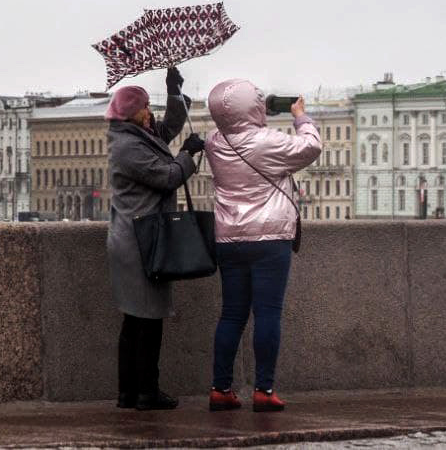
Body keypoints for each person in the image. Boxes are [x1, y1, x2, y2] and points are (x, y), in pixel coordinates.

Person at [203, 78, 321, 412]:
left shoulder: (215, 141)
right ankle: (263, 390)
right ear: (254, 106)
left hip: (229, 239)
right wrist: (300, 117)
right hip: (270, 239)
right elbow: (310, 147)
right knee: (267, 314)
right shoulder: (268, 141)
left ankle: (220, 388)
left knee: (231, 315)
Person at [106, 65, 206, 411]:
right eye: (147, 107)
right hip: (139, 243)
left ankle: (129, 393)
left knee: (136, 320)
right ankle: (145, 393)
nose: (151, 113)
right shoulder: (127, 148)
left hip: (139, 238)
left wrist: (174, 91)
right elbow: (167, 176)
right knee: (145, 321)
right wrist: (189, 154)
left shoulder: (136, 136)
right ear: (133, 113)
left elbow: (168, 128)